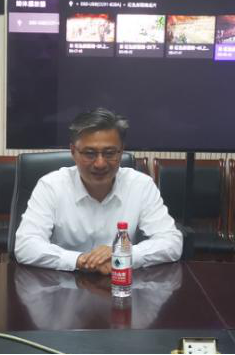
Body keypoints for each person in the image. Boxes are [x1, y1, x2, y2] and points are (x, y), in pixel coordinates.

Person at [14, 108, 182, 274]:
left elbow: (171, 242)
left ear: (121, 151)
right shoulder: (51, 186)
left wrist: (121, 253)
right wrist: (80, 260)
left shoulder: (141, 185)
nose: (100, 163)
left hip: (121, 282)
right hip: (64, 281)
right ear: (73, 152)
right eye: (89, 153)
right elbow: (25, 245)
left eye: (109, 153)